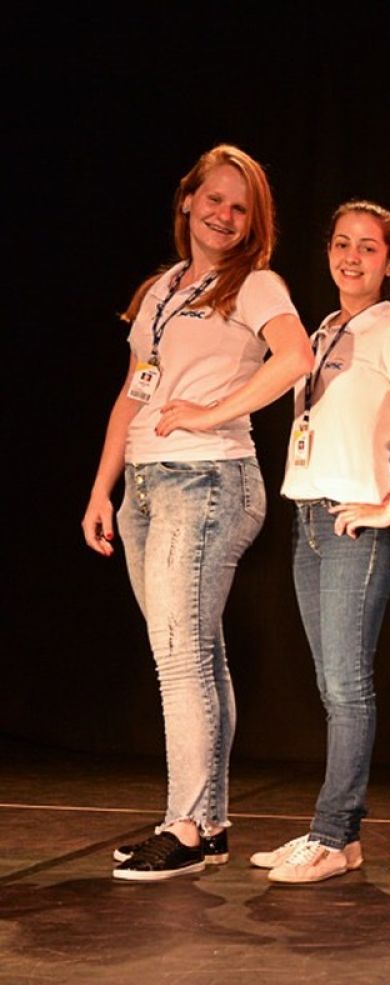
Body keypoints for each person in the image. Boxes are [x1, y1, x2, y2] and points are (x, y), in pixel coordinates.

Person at [82, 144, 313, 880]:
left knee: (180, 658)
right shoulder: (160, 289)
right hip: (146, 486)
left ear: (254, 223)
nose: (224, 214)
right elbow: (133, 391)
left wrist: (211, 411)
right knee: (196, 654)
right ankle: (207, 823)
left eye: (240, 208)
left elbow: (295, 358)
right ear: (187, 200)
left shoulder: (257, 284)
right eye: (214, 199)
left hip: (208, 479)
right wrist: (103, 489)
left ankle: (181, 826)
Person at [246, 201, 390, 883]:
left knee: (347, 684)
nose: (351, 257)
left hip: (352, 523)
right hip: (308, 516)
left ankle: (334, 835)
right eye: (341, 243)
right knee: (332, 686)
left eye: (368, 247)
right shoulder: (323, 330)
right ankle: (337, 834)